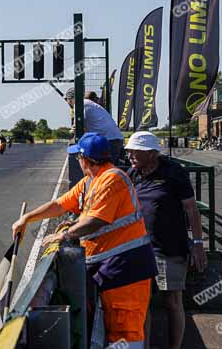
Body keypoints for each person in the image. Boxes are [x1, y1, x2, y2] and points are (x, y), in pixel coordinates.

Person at [12, 133, 157, 348]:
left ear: (85, 159)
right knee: (117, 329)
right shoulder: (91, 181)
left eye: (78, 157)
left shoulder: (112, 178)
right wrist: (27, 218)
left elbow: (96, 220)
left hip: (127, 269)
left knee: (126, 332)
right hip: (112, 268)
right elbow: (60, 205)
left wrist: (65, 234)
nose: (77, 161)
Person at [125, 131, 206, 349]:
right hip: (140, 248)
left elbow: (191, 209)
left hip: (169, 249)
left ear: (151, 154)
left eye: (136, 151)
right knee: (143, 305)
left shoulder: (174, 172)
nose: (131, 155)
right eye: (129, 151)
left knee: (172, 302)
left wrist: (198, 245)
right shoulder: (132, 173)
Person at [65, 87, 125, 163]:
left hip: (109, 140)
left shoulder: (79, 105)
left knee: (104, 168)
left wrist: (69, 135)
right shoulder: (88, 103)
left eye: (67, 100)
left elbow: (77, 126)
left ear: (70, 99)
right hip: (112, 138)